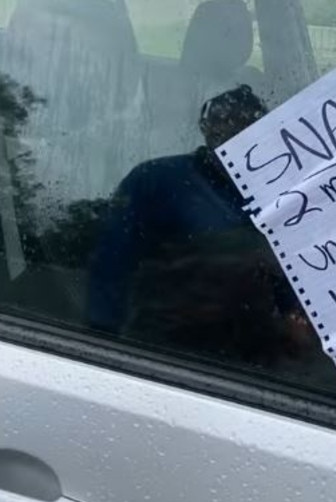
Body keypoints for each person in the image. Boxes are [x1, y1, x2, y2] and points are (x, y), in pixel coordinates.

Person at [87, 85, 307, 364]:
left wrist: (293, 318)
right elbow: (110, 268)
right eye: (222, 120)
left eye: (244, 123)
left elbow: (292, 279)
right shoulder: (155, 180)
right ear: (205, 127)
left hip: (259, 363)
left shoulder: (287, 196)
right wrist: (102, 351)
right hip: (162, 356)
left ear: (261, 132)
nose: (230, 130)